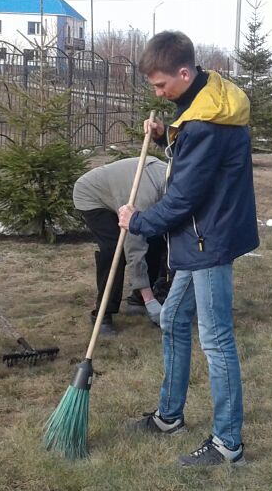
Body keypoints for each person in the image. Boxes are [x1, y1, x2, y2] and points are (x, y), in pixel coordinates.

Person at [117, 30, 259, 467]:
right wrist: (165, 136)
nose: (159, 93)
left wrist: (137, 221)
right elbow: (196, 163)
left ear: (184, 72)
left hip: (208, 239)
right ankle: (169, 416)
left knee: (216, 341)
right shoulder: (205, 103)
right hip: (207, 233)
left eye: (162, 85)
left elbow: (183, 198)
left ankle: (227, 443)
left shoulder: (206, 124)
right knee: (174, 318)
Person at [72, 156, 170, 335]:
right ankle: (103, 314)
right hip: (92, 196)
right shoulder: (145, 194)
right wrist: (151, 300)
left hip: (121, 193)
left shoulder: (172, 179)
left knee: (156, 239)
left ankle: (137, 300)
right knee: (114, 250)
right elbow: (134, 246)